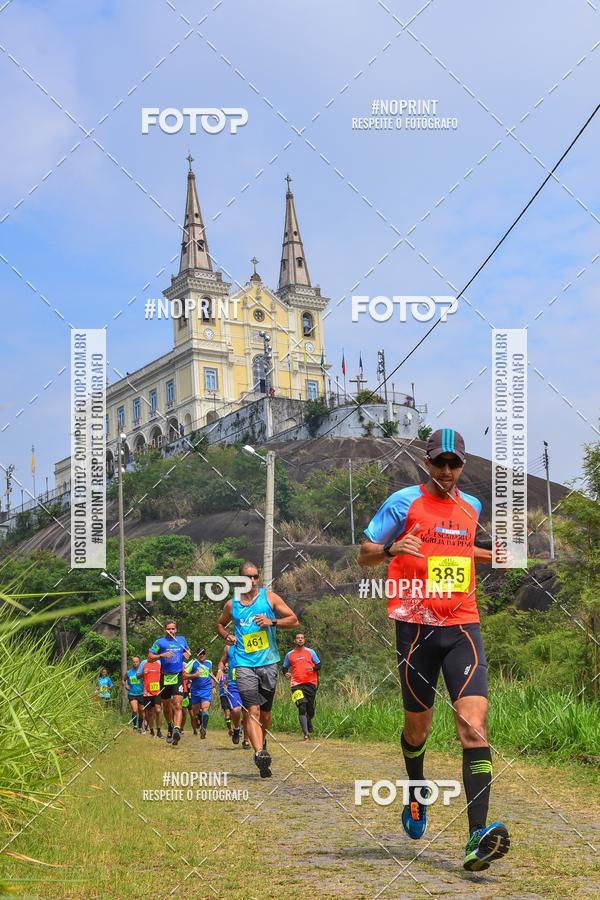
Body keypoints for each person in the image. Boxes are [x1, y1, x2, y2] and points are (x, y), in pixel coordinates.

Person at [359, 428, 510, 872]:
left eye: (454, 463)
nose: (446, 471)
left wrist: (493, 554)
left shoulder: (471, 506)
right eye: (439, 463)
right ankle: (416, 790)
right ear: (427, 463)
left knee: (473, 726)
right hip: (414, 630)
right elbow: (363, 553)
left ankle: (476, 837)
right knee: (417, 731)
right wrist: (390, 548)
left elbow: (457, 551)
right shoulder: (402, 502)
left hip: (462, 626)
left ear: (463, 466)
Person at [216, 561, 299, 778]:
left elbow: (294, 620)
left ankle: (261, 740)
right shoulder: (231, 605)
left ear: (259, 578)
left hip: (268, 663)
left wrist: (271, 621)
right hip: (243, 664)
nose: (252, 581)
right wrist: (227, 636)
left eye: (255, 576)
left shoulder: (269, 598)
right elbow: (220, 624)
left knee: (265, 714)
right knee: (251, 710)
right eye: (247, 577)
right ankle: (260, 753)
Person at [148, 620, 190, 746]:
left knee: (178, 704)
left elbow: (187, 650)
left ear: (176, 630)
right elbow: (150, 657)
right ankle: (171, 726)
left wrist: (187, 653)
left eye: (173, 629)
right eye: (168, 629)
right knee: (166, 706)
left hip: (178, 676)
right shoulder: (159, 642)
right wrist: (162, 655)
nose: (171, 631)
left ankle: (177, 729)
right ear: (164, 630)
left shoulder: (182, 640)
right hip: (165, 677)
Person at [282, 634, 321, 740]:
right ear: (295, 640)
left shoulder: (311, 652)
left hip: (311, 683)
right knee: (302, 706)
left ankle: (308, 721)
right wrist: (286, 673)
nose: (300, 639)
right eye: (298, 638)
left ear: (304, 640)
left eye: (302, 638)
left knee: (310, 710)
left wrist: (313, 668)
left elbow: (319, 665)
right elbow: (284, 668)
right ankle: (306, 734)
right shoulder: (289, 655)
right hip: (296, 684)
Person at [217, 644, 244, 746]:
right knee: (236, 710)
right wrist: (220, 670)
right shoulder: (229, 648)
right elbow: (222, 661)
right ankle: (236, 728)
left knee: (248, 713)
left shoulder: (250, 646)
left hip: (249, 682)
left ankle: (246, 740)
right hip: (233, 685)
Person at [186, 648, 214, 738]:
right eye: (200, 654)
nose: (202, 655)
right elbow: (184, 675)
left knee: (205, 709)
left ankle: (203, 729)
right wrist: (194, 675)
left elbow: (211, 673)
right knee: (195, 713)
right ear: (197, 655)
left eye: (203, 653)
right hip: (195, 691)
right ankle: (199, 719)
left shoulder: (209, 663)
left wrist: (213, 686)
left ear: (206, 654)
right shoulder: (193, 663)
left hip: (206, 690)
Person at [138, 654, 163, 737]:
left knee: (158, 710)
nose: (151, 657)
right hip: (147, 692)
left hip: (157, 691)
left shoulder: (159, 665)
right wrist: (142, 673)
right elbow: (137, 676)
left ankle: (159, 730)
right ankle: (152, 730)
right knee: (149, 712)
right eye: (149, 656)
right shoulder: (144, 664)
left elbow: (163, 675)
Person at [123, 656, 144, 731]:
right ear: (132, 663)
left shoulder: (141, 672)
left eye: (136, 662)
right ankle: (135, 725)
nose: (135, 663)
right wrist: (126, 685)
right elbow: (124, 679)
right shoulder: (129, 672)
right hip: (132, 694)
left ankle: (140, 726)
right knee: (135, 710)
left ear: (139, 662)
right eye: (134, 662)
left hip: (141, 693)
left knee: (141, 711)